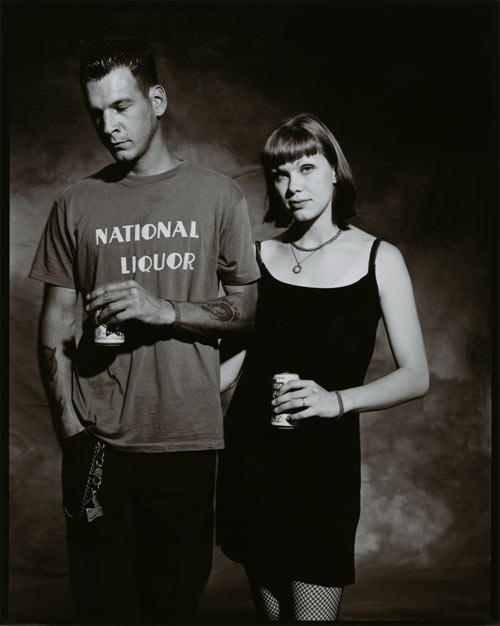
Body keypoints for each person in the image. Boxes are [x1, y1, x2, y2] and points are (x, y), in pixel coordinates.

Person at [29, 39, 259, 624]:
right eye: (96, 113)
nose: (108, 125)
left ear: (157, 101)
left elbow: (247, 310)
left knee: (171, 607)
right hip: (97, 445)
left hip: (185, 441)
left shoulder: (218, 195)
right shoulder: (76, 202)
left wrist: (166, 311)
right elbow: (56, 323)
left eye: (122, 106)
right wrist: (71, 432)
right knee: (100, 608)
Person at [215, 113, 429, 622]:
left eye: (307, 168)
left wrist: (336, 401)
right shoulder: (256, 257)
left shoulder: (380, 258)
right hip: (252, 458)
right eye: (280, 174)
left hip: (323, 468)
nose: (293, 186)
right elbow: (231, 365)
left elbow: (416, 375)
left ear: (335, 170)